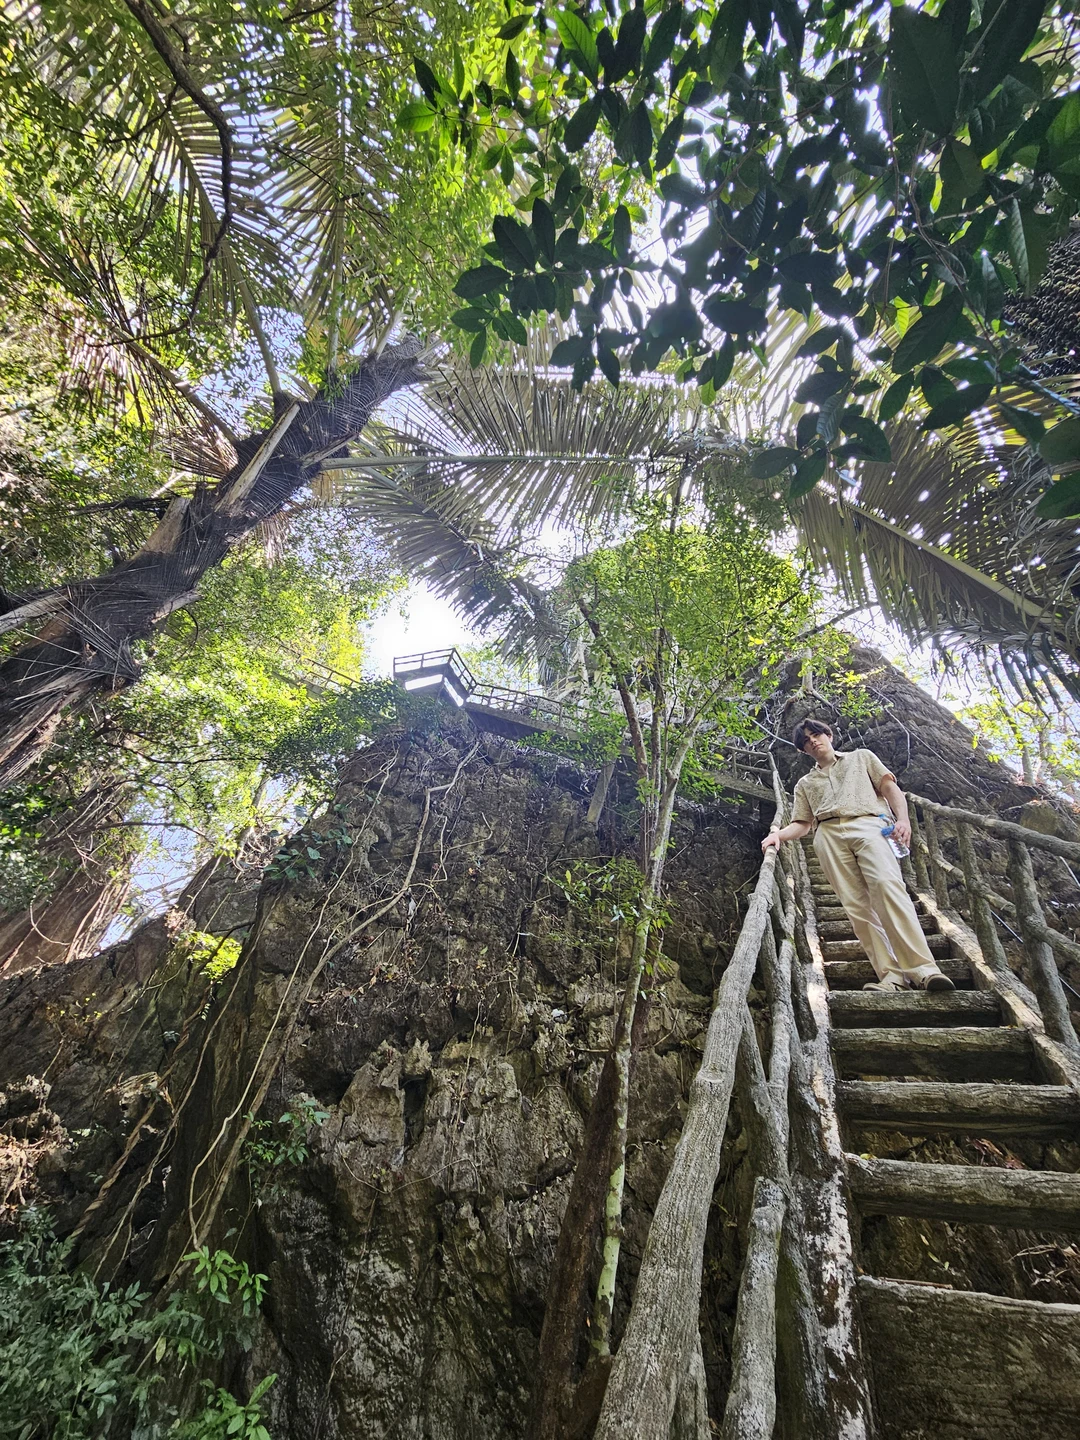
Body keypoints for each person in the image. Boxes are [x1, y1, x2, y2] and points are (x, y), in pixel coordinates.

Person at [762, 718, 954, 993]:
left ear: (829, 734)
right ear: (803, 750)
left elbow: (889, 788)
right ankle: (892, 977)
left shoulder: (862, 757)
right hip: (827, 834)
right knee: (857, 907)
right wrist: (777, 835)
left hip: (869, 824)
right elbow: (803, 823)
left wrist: (904, 821)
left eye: (816, 734)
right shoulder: (805, 783)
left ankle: (924, 970)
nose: (813, 741)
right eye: (805, 741)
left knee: (888, 888)